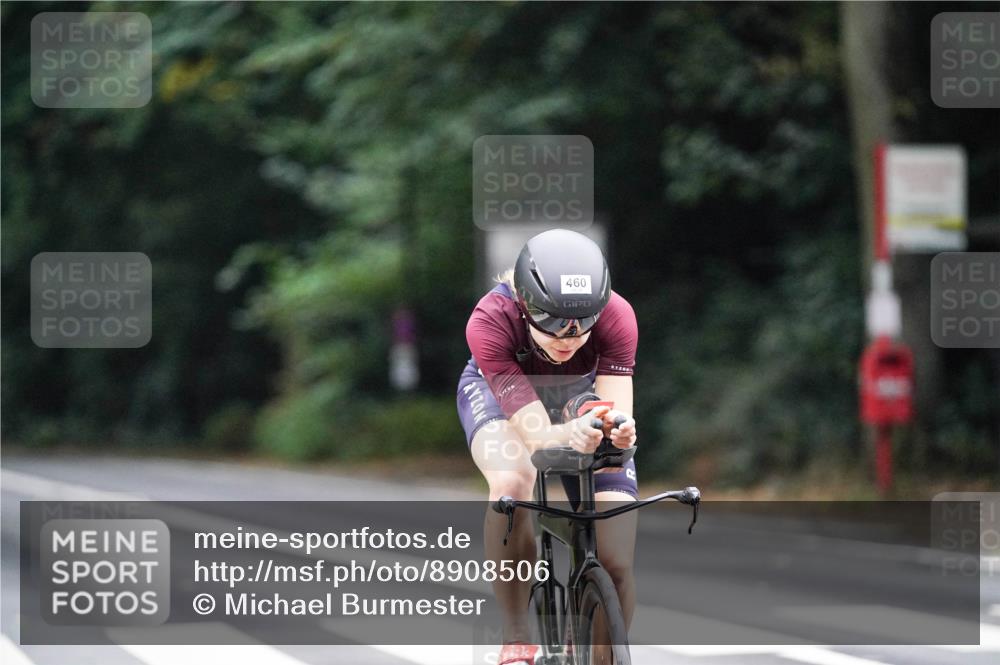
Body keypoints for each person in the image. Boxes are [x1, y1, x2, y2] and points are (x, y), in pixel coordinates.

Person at [456, 228, 639, 665]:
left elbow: (616, 413)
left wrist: (618, 433)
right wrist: (567, 433)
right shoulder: (490, 320)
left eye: (582, 324)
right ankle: (516, 633)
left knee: (615, 558)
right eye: (553, 321)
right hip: (503, 399)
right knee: (513, 481)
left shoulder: (618, 315)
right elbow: (536, 435)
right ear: (522, 300)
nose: (569, 337)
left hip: (578, 396)